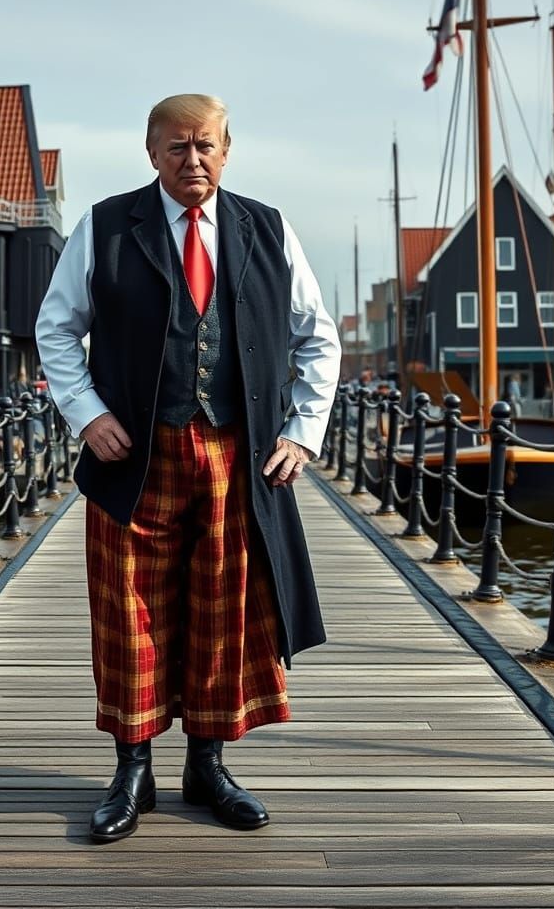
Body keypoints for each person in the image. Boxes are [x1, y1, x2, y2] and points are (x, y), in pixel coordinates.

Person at [35, 93, 340, 843]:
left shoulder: (266, 229)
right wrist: (89, 414)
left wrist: (301, 433)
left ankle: (207, 766)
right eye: (176, 147)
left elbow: (317, 337)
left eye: (204, 146)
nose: (191, 160)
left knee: (221, 611)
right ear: (151, 153)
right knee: (128, 615)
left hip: (238, 457)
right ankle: (131, 770)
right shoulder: (106, 226)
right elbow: (55, 327)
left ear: (227, 151)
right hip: (133, 458)